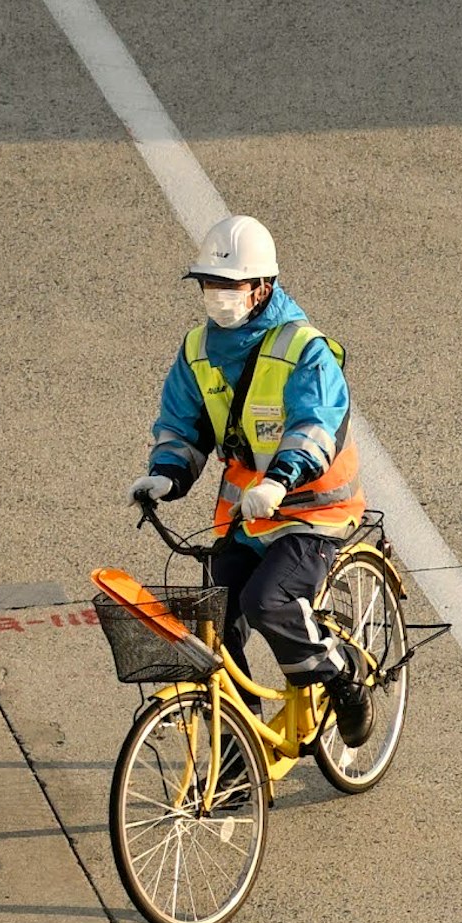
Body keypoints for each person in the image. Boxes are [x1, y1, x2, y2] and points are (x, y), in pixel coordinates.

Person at [136, 216, 371, 736]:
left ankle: (342, 680)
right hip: (246, 514)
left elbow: (314, 425)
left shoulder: (305, 350)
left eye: (230, 285)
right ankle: (239, 744)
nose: (218, 296)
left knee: (266, 601)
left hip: (313, 510)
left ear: (262, 286)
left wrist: (280, 480)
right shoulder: (197, 349)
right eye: (209, 284)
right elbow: (184, 423)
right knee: (215, 625)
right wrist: (166, 475)